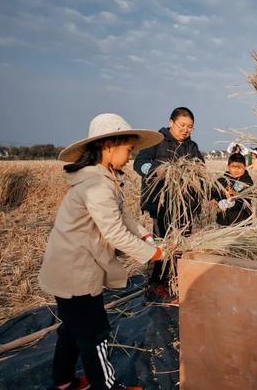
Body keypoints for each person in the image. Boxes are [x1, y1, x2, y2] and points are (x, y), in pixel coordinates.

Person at [38, 113, 167, 390]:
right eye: (128, 150)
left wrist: (144, 234)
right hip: (77, 271)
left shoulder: (103, 177)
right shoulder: (96, 185)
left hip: (69, 266)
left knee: (72, 329)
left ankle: (63, 381)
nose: (130, 156)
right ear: (108, 145)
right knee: (94, 333)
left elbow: (121, 215)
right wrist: (154, 254)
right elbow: (115, 233)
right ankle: (106, 386)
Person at [133, 107, 204, 302]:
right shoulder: (156, 140)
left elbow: (201, 170)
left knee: (182, 246)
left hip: (186, 207)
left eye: (190, 127)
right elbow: (140, 163)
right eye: (182, 125)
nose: (185, 130)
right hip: (161, 205)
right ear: (171, 122)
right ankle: (156, 286)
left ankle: (178, 281)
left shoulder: (192, 147)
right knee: (162, 245)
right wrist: (158, 170)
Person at [211, 153, 254, 226]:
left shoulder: (246, 181)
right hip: (223, 221)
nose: (236, 170)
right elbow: (213, 194)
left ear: (245, 167)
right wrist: (213, 200)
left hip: (242, 222)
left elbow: (244, 196)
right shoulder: (221, 180)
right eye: (233, 167)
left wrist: (234, 194)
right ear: (228, 167)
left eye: (239, 167)